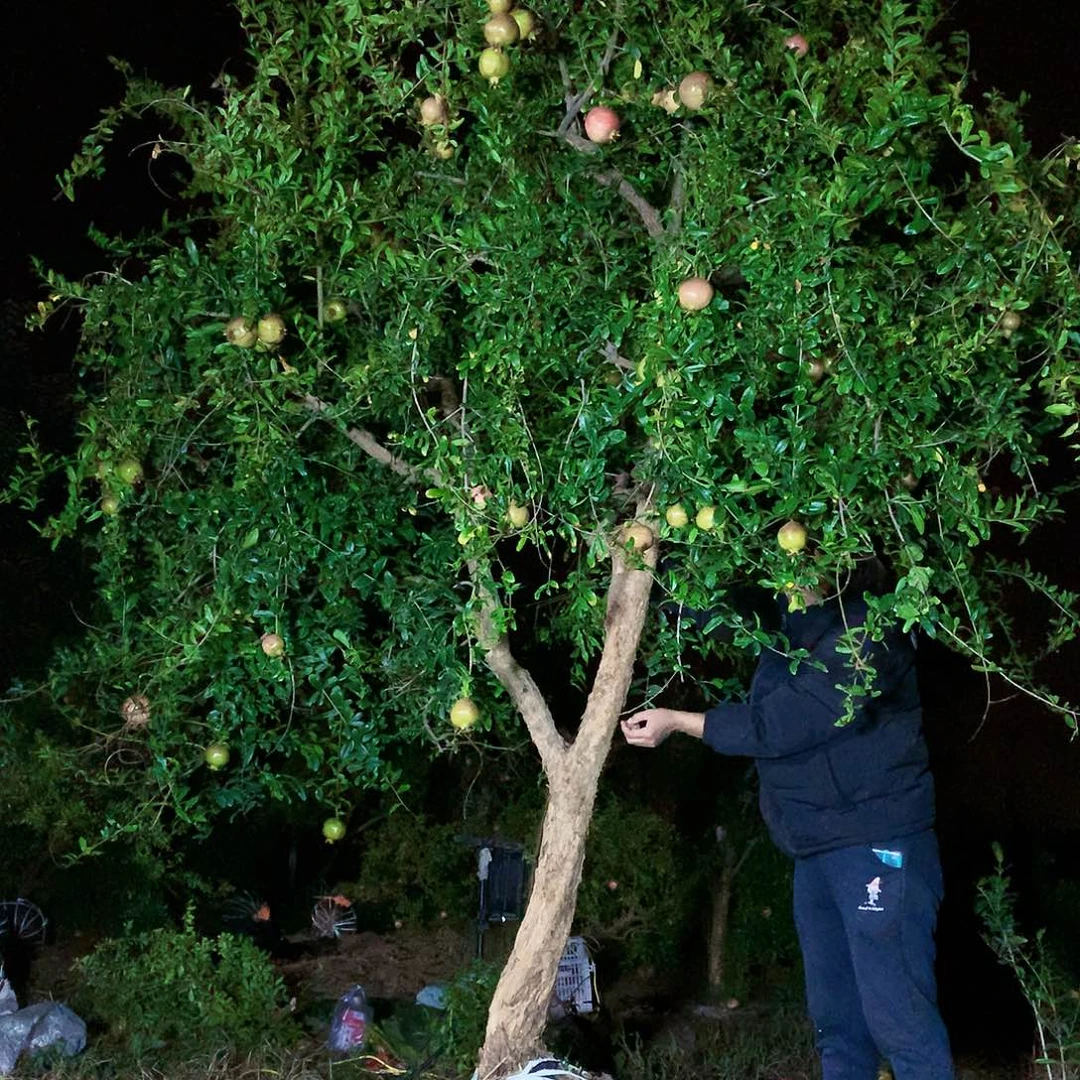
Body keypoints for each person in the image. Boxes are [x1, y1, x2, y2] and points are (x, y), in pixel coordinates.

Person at [621, 563, 954, 1080]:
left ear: (841, 562)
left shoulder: (872, 630)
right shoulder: (787, 622)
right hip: (815, 847)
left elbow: (789, 721)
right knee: (836, 1023)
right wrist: (648, 573)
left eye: (803, 558)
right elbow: (721, 615)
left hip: (877, 842)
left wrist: (681, 722)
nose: (788, 571)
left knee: (899, 1019)